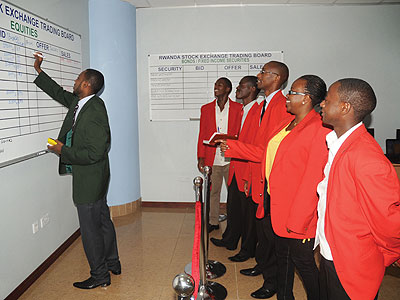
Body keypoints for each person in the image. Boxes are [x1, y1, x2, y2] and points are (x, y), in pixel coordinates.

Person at [33, 53, 121, 289]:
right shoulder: (81, 103)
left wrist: (63, 151)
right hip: (97, 178)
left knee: (91, 230)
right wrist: (39, 73)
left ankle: (100, 275)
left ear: (86, 84)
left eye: (77, 78)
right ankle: (113, 262)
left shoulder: (94, 111)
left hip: (90, 180)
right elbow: (59, 92)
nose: (74, 81)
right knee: (103, 220)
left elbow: (96, 152)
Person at [316, 78, 400, 300]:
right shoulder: (338, 144)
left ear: (345, 107)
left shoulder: (365, 156)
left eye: (327, 100)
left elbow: (389, 222)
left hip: (350, 266)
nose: (322, 104)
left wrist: (376, 258)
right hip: (330, 254)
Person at [221, 61, 292, 299]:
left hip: (273, 182)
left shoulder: (281, 106)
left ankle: (272, 282)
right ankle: (264, 268)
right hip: (259, 178)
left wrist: (232, 147)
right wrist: (251, 178)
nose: (259, 75)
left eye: (264, 72)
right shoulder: (265, 105)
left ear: (278, 78)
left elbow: (267, 152)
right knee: (263, 233)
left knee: (271, 237)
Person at [263, 75, 331, 300]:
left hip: (298, 214)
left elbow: (313, 180)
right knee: (282, 258)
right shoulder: (288, 123)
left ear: (307, 99)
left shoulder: (319, 129)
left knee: (304, 264)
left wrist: (298, 220)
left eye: (293, 92)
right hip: (279, 206)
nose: (287, 96)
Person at [210, 76, 260, 261]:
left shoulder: (257, 110)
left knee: (248, 213)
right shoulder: (242, 111)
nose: (238, 89)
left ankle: (247, 250)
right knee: (234, 206)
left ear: (253, 89)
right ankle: (230, 239)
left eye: (242, 86)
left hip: (247, 166)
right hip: (235, 165)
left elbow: (254, 143)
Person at [197, 77, 242, 232]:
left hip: (232, 158)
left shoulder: (238, 108)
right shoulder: (206, 109)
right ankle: (213, 221)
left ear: (228, 89)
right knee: (213, 192)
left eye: (220, 85)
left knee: (233, 194)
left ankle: (234, 224)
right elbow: (202, 133)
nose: (216, 87)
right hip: (213, 157)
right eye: (215, 85)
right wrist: (200, 157)